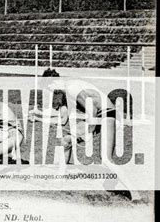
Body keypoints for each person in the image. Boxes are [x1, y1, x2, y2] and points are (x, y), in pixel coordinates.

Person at [28, 68, 141, 201]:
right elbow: (63, 118)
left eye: (49, 89)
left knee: (106, 159)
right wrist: (39, 114)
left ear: (52, 83)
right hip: (98, 116)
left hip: (107, 115)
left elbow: (91, 109)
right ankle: (60, 178)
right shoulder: (66, 91)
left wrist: (89, 132)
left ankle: (135, 194)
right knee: (67, 141)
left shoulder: (71, 87)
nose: (52, 93)